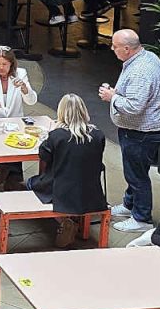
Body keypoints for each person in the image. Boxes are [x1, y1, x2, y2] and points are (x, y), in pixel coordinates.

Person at [99, 29, 160, 233]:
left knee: (137, 176)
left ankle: (141, 218)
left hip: (141, 132)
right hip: (147, 128)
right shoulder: (148, 56)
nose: (112, 49)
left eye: (115, 46)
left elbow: (134, 106)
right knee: (136, 171)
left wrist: (112, 97)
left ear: (127, 49)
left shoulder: (140, 71)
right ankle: (129, 204)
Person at [27, 94, 107, 245]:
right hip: (91, 191)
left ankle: (64, 220)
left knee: (30, 183)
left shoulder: (57, 136)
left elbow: (44, 156)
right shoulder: (98, 135)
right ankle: (73, 221)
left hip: (60, 191)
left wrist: (51, 134)